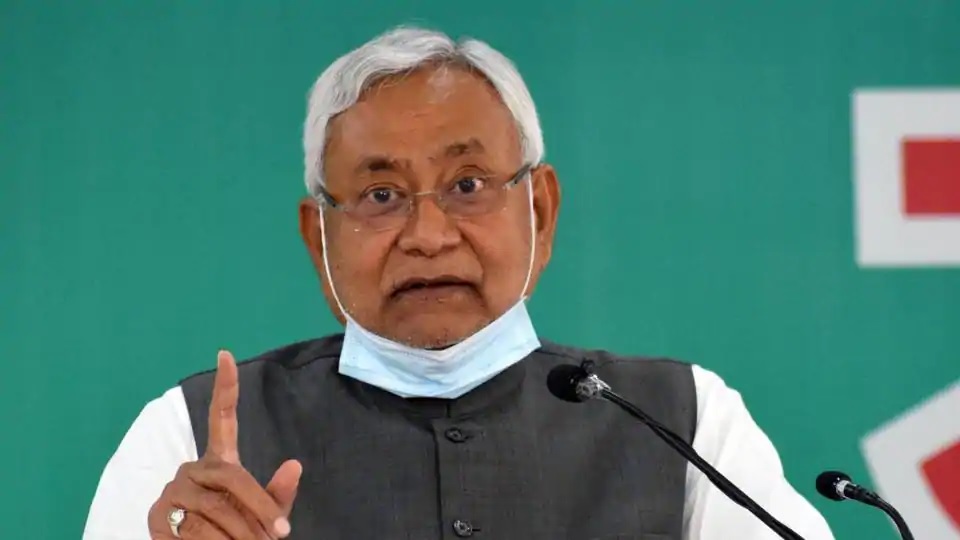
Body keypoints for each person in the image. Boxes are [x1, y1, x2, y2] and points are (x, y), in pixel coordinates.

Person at [83, 26, 834, 540]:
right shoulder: (187, 442)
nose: (429, 234)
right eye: (381, 195)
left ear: (540, 211)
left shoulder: (686, 422)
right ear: (319, 239)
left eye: (469, 184)